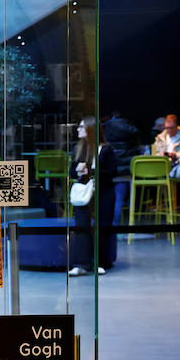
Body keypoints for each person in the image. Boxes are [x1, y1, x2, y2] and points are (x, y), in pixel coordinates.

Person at [69, 116, 118, 276]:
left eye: (81, 127)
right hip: (84, 193)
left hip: (102, 192)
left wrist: (90, 171)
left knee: (102, 226)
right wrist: (79, 171)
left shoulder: (105, 149)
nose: (78, 129)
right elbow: (71, 172)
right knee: (81, 226)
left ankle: (100, 261)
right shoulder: (78, 149)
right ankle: (81, 263)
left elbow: (112, 172)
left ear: (90, 130)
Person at [153, 114, 180, 179]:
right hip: (162, 167)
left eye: (172, 128)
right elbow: (155, 154)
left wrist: (177, 155)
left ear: (177, 126)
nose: (169, 130)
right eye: (167, 127)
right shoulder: (160, 138)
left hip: (179, 167)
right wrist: (162, 156)